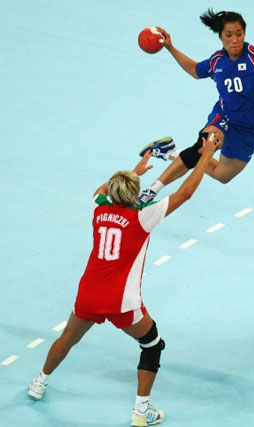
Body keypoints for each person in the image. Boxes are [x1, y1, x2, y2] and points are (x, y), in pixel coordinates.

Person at [27, 136, 219, 427]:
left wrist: (131, 172)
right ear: (133, 195)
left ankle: (39, 382)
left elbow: (100, 190)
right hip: (122, 302)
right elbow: (185, 193)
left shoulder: (99, 209)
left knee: (68, 338)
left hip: (88, 294)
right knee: (152, 345)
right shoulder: (142, 216)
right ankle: (141, 412)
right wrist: (207, 154)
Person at [138, 9, 254, 204]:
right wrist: (170, 47)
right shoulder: (217, 61)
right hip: (224, 116)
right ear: (220, 36)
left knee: (222, 175)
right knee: (204, 146)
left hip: (252, 126)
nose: (235, 40)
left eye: (239, 34)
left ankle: (172, 151)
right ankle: (151, 191)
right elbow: (196, 70)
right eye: (229, 35)